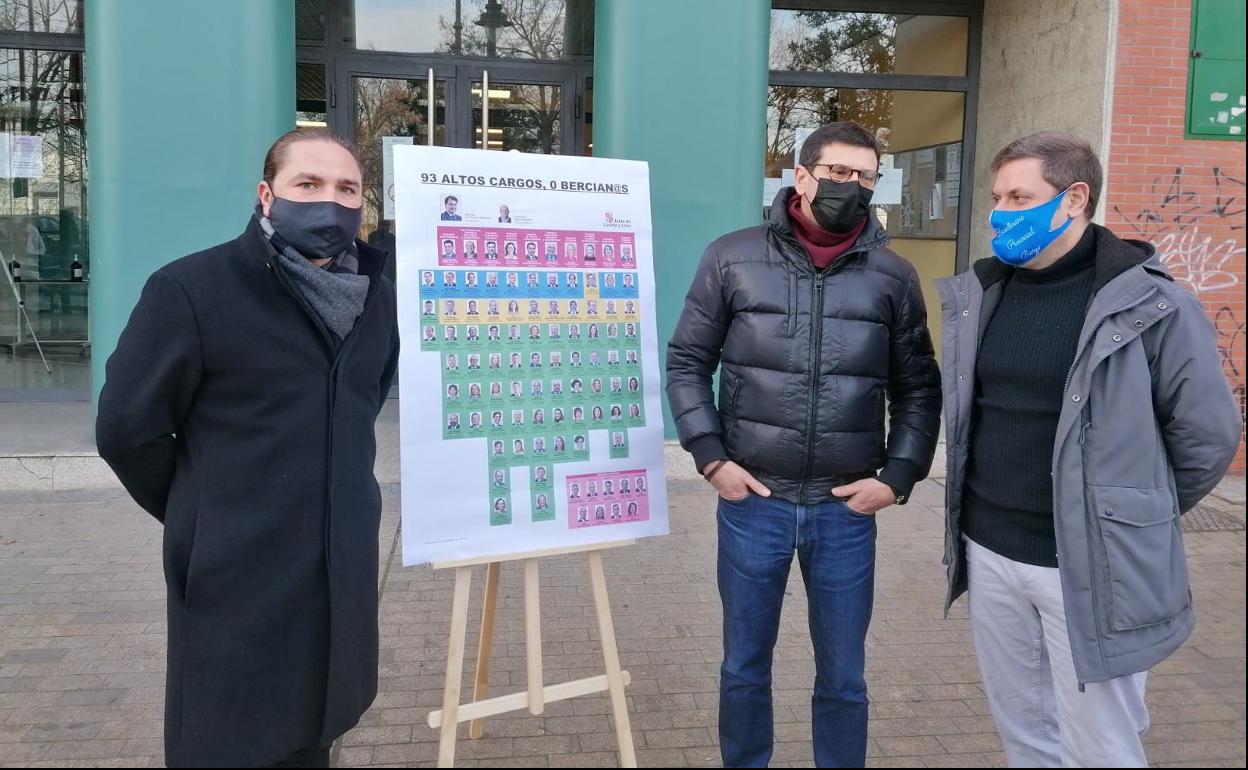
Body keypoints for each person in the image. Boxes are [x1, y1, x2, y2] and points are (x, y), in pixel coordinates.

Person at [937, 132, 1242, 769]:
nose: (1001, 212)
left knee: (1101, 746)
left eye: (1020, 196)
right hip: (990, 550)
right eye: (997, 197)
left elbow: (1206, 434)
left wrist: (1127, 511)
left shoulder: (1151, 302)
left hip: (1089, 563)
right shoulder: (984, 292)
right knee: (1024, 732)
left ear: (1075, 198)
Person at [96, 128, 398, 768]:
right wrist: (201, 512)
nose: (330, 204)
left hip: (337, 566)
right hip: (238, 569)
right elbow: (128, 429)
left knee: (317, 725)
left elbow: (367, 399)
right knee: (230, 733)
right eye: (307, 185)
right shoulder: (193, 289)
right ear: (267, 195)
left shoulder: (379, 297)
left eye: (347, 190)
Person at [666, 122, 941, 768]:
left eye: (866, 177)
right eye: (839, 173)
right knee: (743, 667)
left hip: (844, 510)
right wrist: (710, 456)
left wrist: (897, 476)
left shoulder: (893, 278)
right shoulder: (731, 257)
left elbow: (919, 388)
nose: (852, 187)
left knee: (844, 678)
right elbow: (685, 361)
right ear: (803, 175)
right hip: (752, 501)